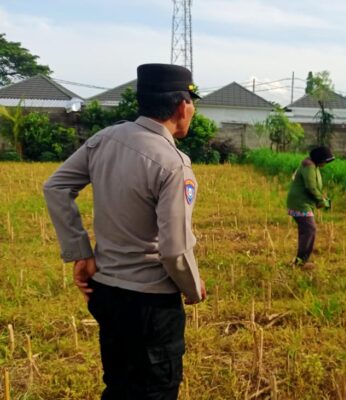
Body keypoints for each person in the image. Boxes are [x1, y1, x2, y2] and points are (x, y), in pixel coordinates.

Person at [43, 63, 206, 399]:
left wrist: (81, 252)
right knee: (153, 391)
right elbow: (175, 252)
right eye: (192, 103)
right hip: (151, 307)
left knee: (118, 386)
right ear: (182, 105)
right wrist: (192, 288)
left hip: (105, 293)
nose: (192, 109)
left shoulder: (104, 138)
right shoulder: (174, 163)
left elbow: (56, 187)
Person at [286, 146, 334, 270]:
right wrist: (321, 201)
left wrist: (322, 199)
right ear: (319, 159)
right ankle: (301, 262)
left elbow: (314, 187)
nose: (325, 163)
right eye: (325, 160)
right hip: (300, 204)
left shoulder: (312, 165)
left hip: (302, 203)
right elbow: (311, 187)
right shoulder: (309, 166)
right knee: (309, 230)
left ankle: (300, 261)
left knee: (306, 231)